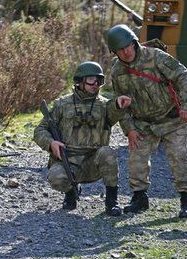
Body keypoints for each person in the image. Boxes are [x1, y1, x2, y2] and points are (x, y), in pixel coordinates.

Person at [107, 24, 187, 218]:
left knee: (180, 158)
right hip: (143, 122)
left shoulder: (155, 57)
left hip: (172, 117)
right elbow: (120, 105)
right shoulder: (117, 72)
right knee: (136, 159)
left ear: (134, 43)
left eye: (128, 46)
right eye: (120, 50)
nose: (126, 52)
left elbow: (184, 77)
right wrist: (129, 129)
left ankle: (186, 200)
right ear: (114, 52)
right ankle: (139, 198)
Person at [34, 61, 131, 215]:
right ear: (79, 82)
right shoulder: (62, 105)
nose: (96, 84)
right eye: (92, 80)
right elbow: (40, 130)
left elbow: (114, 112)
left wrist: (119, 106)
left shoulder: (105, 105)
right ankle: (71, 192)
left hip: (94, 162)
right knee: (55, 177)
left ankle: (112, 202)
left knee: (108, 153)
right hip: (68, 162)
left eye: (99, 80)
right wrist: (51, 143)